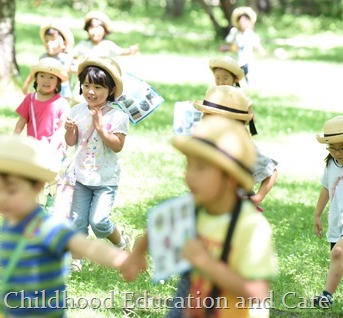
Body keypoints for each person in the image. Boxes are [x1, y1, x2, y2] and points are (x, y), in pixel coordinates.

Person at [121, 116, 278, 317]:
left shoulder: (251, 227)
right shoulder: (195, 207)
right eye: (188, 166)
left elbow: (256, 293)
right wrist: (138, 253)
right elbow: (160, 222)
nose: (189, 175)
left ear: (230, 178)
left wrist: (204, 261)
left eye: (201, 168)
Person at [0, 134, 129, 316]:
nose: (0, 197)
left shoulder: (46, 227)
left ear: (37, 187)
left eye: (11, 190)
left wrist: (122, 260)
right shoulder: (10, 225)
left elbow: (86, 247)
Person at [64, 56, 131, 272]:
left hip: (105, 179)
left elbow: (117, 145)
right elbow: (71, 142)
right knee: (77, 220)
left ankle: (121, 242)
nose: (91, 91)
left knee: (99, 221)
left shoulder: (118, 116)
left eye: (98, 87)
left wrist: (102, 128)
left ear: (111, 90)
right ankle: (77, 260)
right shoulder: (77, 111)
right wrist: (69, 129)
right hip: (81, 176)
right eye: (86, 86)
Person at [194, 86, 278, 210]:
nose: (202, 118)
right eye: (203, 114)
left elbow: (272, 171)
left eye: (207, 114)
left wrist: (258, 198)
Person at [14, 57, 70, 162]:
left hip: (54, 150)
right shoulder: (29, 99)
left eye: (51, 77)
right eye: (42, 76)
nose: (46, 80)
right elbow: (21, 122)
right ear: (36, 78)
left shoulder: (62, 103)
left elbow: (61, 129)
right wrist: (14, 140)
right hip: (33, 147)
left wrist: (51, 149)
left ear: (58, 82)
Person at [313, 116, 343, 309]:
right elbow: (325, 188)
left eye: (342, 148)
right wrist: (317, 214)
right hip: (337, 222)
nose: (337, 152)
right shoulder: (331, 164)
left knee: (338, 253)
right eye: (332, 148)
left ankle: (326, 296)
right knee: (337, 256)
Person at [71, 11, 139, 72]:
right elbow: (72, 55)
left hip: (102, 79)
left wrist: (130, 50)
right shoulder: (83, 45)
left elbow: (121, 52)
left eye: (98, 28)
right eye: (92, 27)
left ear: (105, 31)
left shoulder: (108, 45)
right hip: (85, 81)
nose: (95, 31)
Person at [22, 21, 75, 100]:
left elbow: (78, 68)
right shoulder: (43, 57)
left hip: (62, 96)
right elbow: (35, 72)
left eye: (53, 40)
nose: (49, 43)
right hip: (45, 93)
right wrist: (26, 85)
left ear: (64, 43)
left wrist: (69, 68)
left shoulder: (67, 58)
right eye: (47, 40)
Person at [220, 6, 266, 83]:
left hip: (246, 59)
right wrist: (230, 48)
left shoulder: (249, 33)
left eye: (245, 20)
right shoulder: (234, 32)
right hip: (236, 59)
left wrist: (262, 52)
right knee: (235, 76)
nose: (243, 23)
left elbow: (256, 44)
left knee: (246, 75)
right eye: (241, 21)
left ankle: (247, 85)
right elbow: (228, 44)